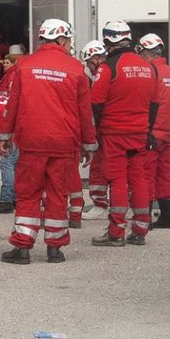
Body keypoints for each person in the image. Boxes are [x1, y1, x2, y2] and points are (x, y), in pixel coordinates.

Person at [0, 19, 96, 265]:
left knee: (28, 193)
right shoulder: (76, 69)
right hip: (64, 142)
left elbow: (13, 103)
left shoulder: (24, 66)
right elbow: (85, 112)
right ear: (62, 40)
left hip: (31, 140)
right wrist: (89, 144)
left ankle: (22, 246)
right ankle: (55, 248)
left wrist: (5, 136)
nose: (70, 45)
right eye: (69, 41)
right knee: (57, 194)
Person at [90, 20, 159, 248]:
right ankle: (140, 229)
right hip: (139, 132)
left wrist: (96, 132)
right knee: (138, 178)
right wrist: (148, 129)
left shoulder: (108, 67)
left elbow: (96, 103)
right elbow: (155, 103)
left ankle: (116, 231)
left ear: (108, 39)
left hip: (114, 132)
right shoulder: (148, 66)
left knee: (117, 179)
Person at [139, 33, 170, 229]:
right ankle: (169, 215)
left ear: (144, 52)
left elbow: (148, 103)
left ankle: (144, 218)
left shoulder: (150, 72)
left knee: (146, 174)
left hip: (152, 133)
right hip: (168, 132)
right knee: (165, 174)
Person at [0, 44, 25, 213]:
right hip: (19, 126)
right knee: (16, 163)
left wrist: (4, 131)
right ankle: (17, 197)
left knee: (7, 162)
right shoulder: (14, 76)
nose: (4, 65)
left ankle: (6, 199)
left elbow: (8, 105)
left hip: (11, 126)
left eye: (7, 63)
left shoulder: (12, 78)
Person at [78, 39, 110, 220]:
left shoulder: (102, 75)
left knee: (99, 167)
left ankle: (100, 204)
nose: (89, 68)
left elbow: (95, 106)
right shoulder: (108, 72)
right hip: (110, 129)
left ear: (96, 58)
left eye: (90, 63)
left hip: (104, 130)